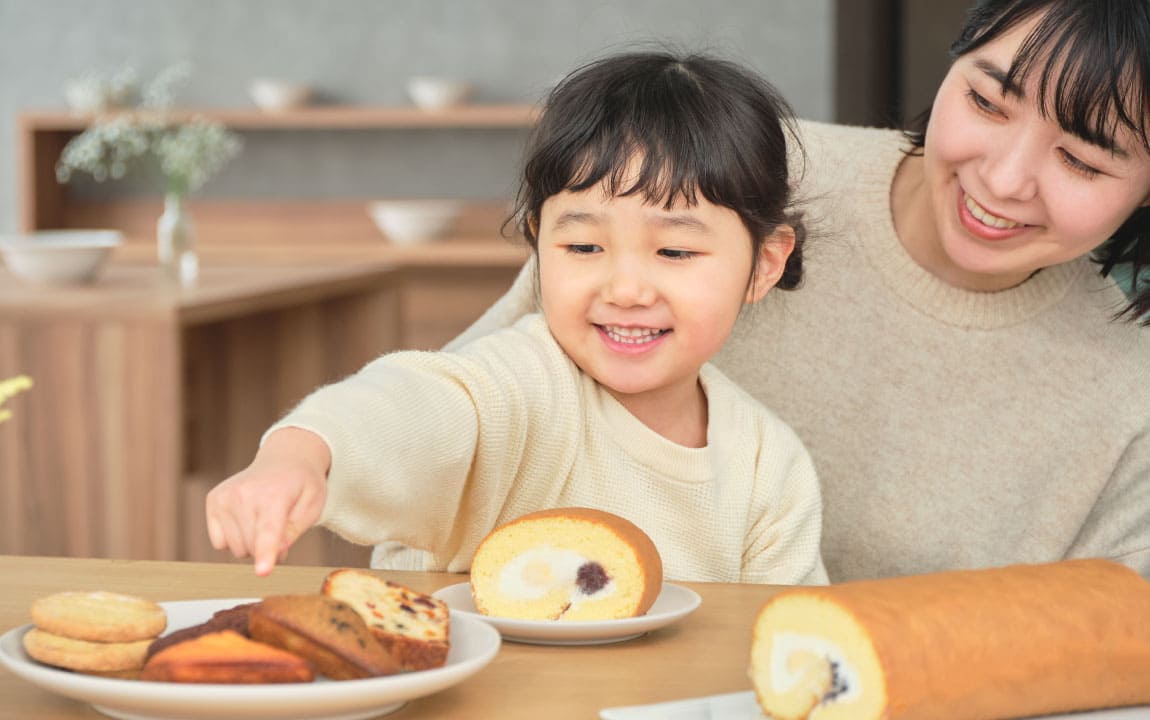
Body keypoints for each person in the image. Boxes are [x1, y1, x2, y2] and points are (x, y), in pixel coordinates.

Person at [448, 0, 1150, 583]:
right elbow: (462, 424)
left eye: (1080, 159)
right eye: (987, 102)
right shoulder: (737, 180)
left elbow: (1111, 652)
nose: (1003, 180)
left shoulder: (1129, 393)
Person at [205, 50, 828, 585]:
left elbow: (784, 639)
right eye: (584, 247)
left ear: (765, 263)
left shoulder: (766, 465)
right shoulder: (523, 383)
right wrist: (298, 455)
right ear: (538, 243)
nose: (628, 289)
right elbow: (414, 404)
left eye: (675, 252)